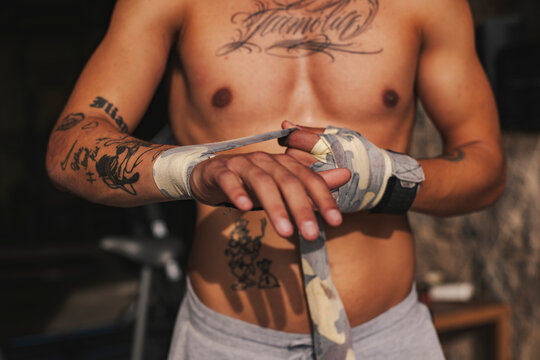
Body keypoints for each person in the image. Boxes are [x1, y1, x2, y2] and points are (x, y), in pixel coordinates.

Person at [46, 0, 506, 358]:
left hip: (386, 334)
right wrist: (198, 169)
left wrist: (383, 178)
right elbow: (69, 149)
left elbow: (486, 167)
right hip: (230, 341)